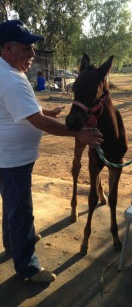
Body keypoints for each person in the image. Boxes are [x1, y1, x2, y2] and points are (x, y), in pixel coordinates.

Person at [0, 20, 103, 283]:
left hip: (8, 156)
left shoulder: (9, 70)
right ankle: (29, 268)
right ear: (9, 48)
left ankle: (14, 242)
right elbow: (37, 122)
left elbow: (24, 109)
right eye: (27, 48)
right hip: (11, 160)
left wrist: (46, 110)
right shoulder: (10, 78)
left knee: (12, 204)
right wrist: (78, 133)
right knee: (21, 210)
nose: (33, 54)